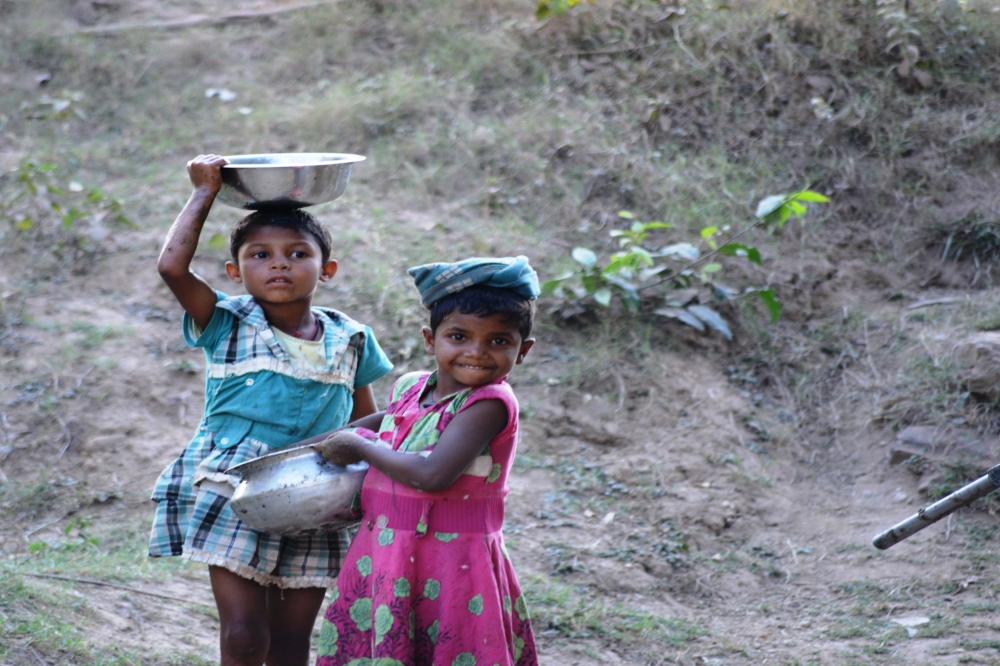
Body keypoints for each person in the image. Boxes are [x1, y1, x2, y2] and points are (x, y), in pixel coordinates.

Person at [147, 154, 393, 666]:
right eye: (259, 254)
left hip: (318, 493)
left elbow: (367, 422)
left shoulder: (352, 338)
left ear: (326, 270)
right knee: (243, 635)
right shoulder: (225, 321)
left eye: (296, 252)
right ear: (236, 272)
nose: (278, 263)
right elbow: (172, 267)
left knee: (291, 642)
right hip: (235, 485)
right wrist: (203, 192)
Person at [312, 256, 540, 666]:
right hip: (384, 550)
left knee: (447, 647)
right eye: (458, 336)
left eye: (499, 341)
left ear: (522, 351)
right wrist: (303, 448)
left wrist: (359, 446)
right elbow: (381, 421)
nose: (477, 352)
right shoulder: (412, 386)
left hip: (452, 562)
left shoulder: (489, 403)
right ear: (429, 340)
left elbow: (433, 475)